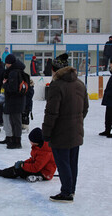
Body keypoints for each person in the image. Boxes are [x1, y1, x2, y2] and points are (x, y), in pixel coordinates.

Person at [42, 53, 89, 203]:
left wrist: (47, 132)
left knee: (63, 163)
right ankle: (71, 189)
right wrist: (76, 121)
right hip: (76, 131)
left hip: (60, 132)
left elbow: (51, 112)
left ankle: (66, 192)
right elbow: (85, 108)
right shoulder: (80, 84)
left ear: (55, 70)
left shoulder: (56, 86)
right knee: (72, 162)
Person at [2, 54, 26, 149]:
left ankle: (17, 141)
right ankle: (15, 140)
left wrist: (5, 84)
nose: (6, 65)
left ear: (10, 63)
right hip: (18, 100)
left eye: (7, 63)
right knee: (15, 121)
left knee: (16, 121)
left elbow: (12, 88)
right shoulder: (18, 71)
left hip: (14, 101)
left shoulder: (13, 73)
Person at [99, 69, 112, 137]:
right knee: (108, 116)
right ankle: (107, 130)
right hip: (109, 99)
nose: (110, 67)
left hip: (110, 97)